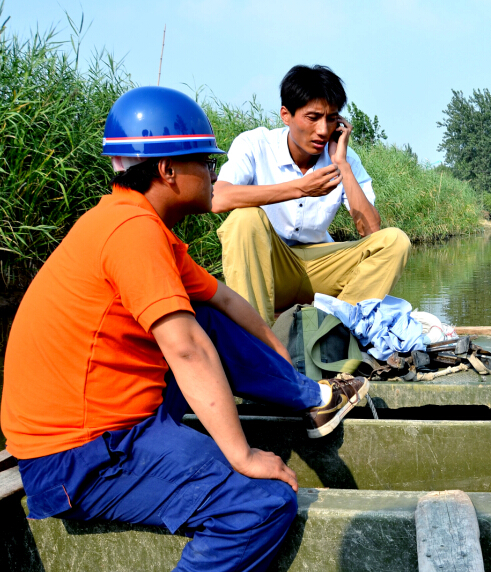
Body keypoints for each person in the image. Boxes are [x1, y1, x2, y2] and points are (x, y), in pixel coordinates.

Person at [0, 86, 367, 572]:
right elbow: (188, 349)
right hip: (81, 456)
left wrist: (286, 368)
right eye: (205, 163)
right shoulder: (132, 233)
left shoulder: (138, 224)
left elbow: (227, 302)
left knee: (209, 314)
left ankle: (312, 400)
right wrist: (242, 455)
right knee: (260, 503)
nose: (215, 174)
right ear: (168, 171)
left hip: (111, 424)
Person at [213, 64, 410, 325]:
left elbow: (371, 230)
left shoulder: (344, 158)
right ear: (286, 115)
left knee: (395, 241)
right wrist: (300, 188)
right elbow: (218, 198)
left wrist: (342, 165)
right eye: (313, 117)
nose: (322, 130)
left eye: (331, 119)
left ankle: (334, 329)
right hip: (273, 266)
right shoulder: (255, 145)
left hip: (321, 267)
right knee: (244, 219)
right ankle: (257, 339)